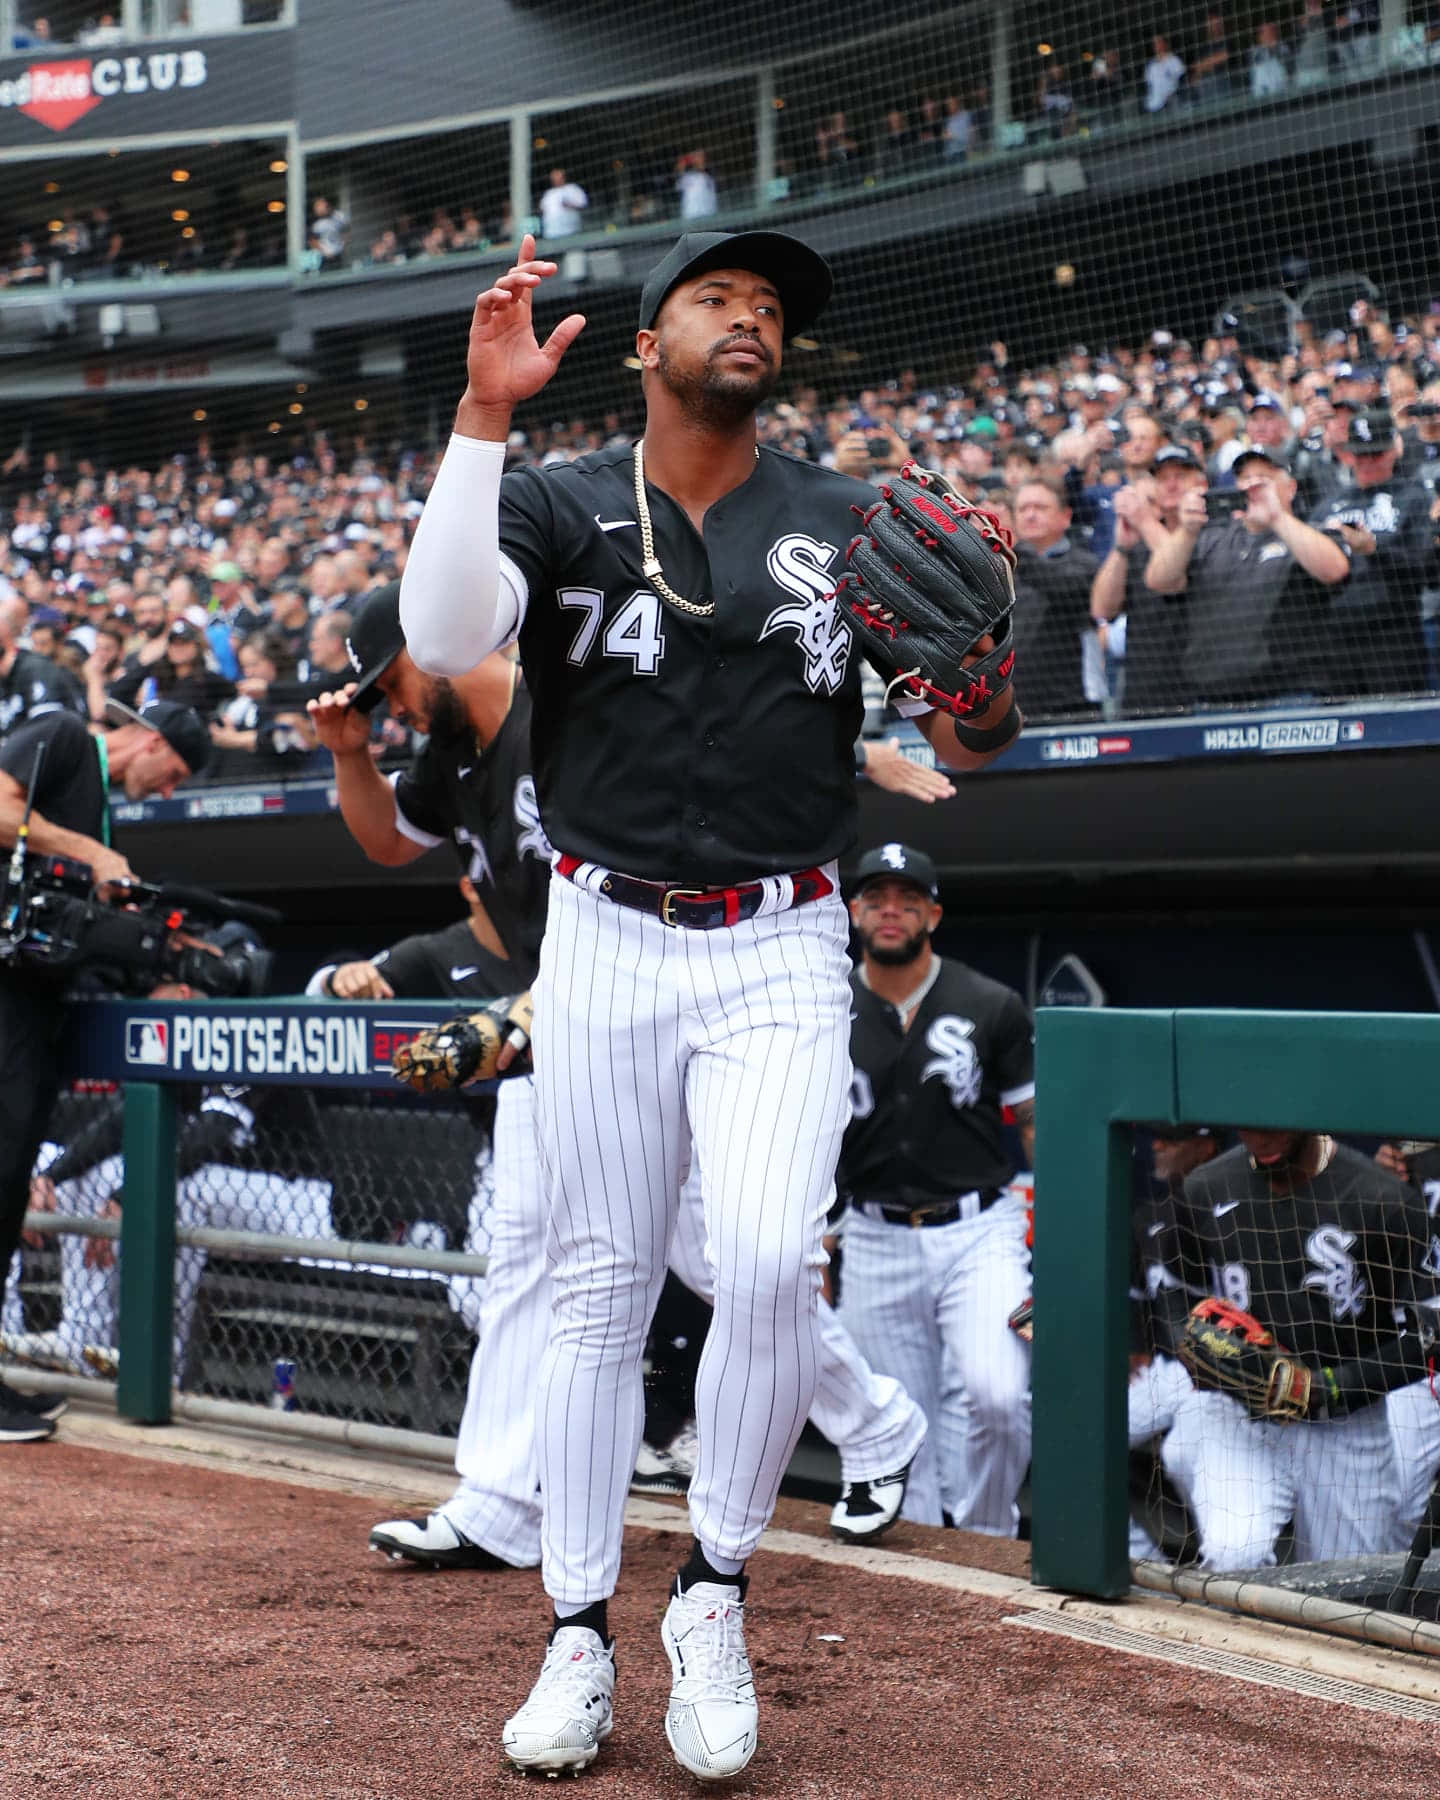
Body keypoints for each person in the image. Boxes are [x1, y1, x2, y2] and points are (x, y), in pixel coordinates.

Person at [395, 227, 1018, 1780]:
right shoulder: (556, 498)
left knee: (758, 1264)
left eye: (770, 310)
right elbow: (442, 637)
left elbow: (981, 731)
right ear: (643, 342)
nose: (751, 319)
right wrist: (482, 420)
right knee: (602, 1292)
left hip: (779, 939)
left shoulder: (842, 519)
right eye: (717, 299)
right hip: (603, 935)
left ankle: (718, 1592)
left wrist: (986, 685)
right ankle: (577, 1631)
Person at [308, 588, 929, 1588]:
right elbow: (387, 842)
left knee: (728, 1257)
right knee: (530, 1254)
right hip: (559, 1019)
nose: (392, 709)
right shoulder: (453, 746)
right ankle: (503, 1502)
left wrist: (863, 754)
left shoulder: (567, 708)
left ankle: (872, 1420)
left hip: (651, 1003)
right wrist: (348, 756)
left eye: (390, 686)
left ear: (439, 644)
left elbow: (692, 805)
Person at [0, 698, 209, 1441]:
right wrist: (92, 856)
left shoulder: (102, 815)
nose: (168, 790)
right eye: (172, 771)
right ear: (149, 740)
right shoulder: (62, 736)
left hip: (35, 1001)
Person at [835, 843, 1035, 1535]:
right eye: (877, 899)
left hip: (977, 1229)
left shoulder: (990, 1002)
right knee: (894, 1419)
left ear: (933, 914)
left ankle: (985, 1539)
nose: (891, 911)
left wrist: (1063, 1232)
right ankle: (918, 1576)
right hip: (873, 1233)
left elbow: (1036, 1121)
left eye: (907, 899)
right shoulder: (824, 1005)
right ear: (855, 912)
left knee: (999, 1395)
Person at [1150, 1129, 1438, 1569]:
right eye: (1248, 1125)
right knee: (1233, 1555)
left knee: (1344, 1599)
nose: (1261, 1137)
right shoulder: (1207, 1187)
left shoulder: (1382, 1198)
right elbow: (1173, 1291)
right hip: (1239, 1416)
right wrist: (1188, 1344)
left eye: (1275, 1126)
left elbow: (1430, 1337)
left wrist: (1324, 1386)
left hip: (1344, 1427)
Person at [1144, 445, 1350, 705]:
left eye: (1264, 478)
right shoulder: (1210, 538)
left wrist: (1276, 517)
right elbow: (1158, 580)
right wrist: (1186, 531)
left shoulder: (1312, 533)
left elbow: (1334, 570)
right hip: (1214, 697)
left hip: (1288, 694)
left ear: (1291, 487)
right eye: (1245, 478)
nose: (1253, 486)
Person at [1308, 409, 1435, 696]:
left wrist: (1375, 550)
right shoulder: (1329, 505)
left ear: (1393, 450)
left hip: (1392, 635)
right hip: (1335, 637)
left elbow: (1424, 568)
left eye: (1375, 454)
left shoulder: (1413, 497)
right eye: (1359, 454)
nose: (1366, 463)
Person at [1089, 446, 1206, 714]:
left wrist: (1143, 521)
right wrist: (1121, 547)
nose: (1171, 484)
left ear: (1201, 483)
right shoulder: (1143, 542)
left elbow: (1177, 573)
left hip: (1198, 692)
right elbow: (1102, 608)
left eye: (1180, 475)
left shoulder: (1213, 533)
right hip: (1143, 690)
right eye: (1163, 478)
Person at [1008, 475, 1101, 718]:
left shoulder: (1084, 564)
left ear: (1066, 516)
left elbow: (1060, 585)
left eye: (1040, 508)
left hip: (1074, 706)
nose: (1030, 515)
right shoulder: (1002, 571)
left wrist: (1013, 549)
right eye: (1023, 509)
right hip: (1013, 709)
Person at [537, 168, 589, 240]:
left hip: (570, 231)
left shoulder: (573, 189)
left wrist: (570, 205)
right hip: (551, 233)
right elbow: (542, 209)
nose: (556, 180)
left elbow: (583, 204)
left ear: (564, 178)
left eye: (558, 177)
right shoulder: (549, 194)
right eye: (554, 179)